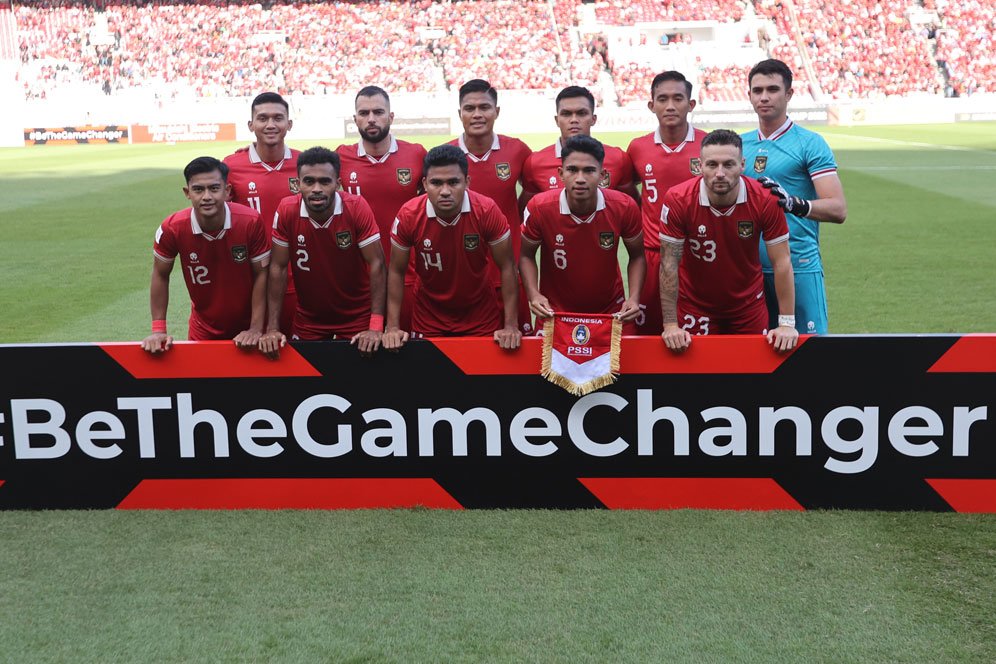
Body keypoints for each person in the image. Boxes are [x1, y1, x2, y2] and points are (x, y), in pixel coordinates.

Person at [658, 130, 798, 353]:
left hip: (748, 306)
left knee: (751, 377)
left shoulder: (765, 199)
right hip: (695, 305)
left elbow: (782, 262)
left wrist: (787, 324)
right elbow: (668, 264)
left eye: (729, 165)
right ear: (699, 166)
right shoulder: (678, 199)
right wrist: (670, 324)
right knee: (698, 379)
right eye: (712, 164)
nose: (720, 173)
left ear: (742, 165)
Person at [741, 59, 847, 335]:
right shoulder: (737, 145)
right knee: (750, 363)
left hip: (798, 265)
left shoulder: (809, 143)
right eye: (757, 90)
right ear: (749, 95)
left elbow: (837, 208)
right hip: (746, 272)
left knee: (809, 360)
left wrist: (795, 204)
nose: (764, 97)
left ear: (789, 94)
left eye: (773, 89)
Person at [384, 144, 521, 350]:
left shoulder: (486, 210)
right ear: (424, 183)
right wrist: (392, 327)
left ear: (467, 182)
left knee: (480, 378)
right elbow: (396, 271)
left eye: (453, 182)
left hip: (480, 314)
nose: (445, 191)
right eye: (436, 183)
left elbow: (508, 267)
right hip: (428, 315)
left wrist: (511, 325)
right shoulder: (409, 215)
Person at [259, 147, 386, 358]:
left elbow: (377, 264)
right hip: (310, 319)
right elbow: (278, 267)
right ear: (297, 183)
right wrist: (272, 328)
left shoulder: (356, 207)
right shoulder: (286, 210)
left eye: (325, 182)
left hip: (357, 316)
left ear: (337, 183)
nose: (316, 188)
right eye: (308, 181)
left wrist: (375, 325)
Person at [520, 136, 646, 334]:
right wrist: (534, 295)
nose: (580, 178)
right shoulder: (539, 207)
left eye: (589, 170)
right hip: (554, 312)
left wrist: (634, 298)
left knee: (622, 365)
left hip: (612, 310)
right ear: (561, 173)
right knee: (546, 366)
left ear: (603, 175)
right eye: (572, 170)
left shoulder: (624, 206)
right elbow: (526, 255)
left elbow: (637, 255)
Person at [142, 157, 269, 353]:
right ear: (187, 193)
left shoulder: (250, 221)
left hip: (250, 327)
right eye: (198, 189)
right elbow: (160, 274)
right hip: (203, 329)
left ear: (227, 191)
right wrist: (159, 330)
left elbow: (262, 274)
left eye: (214, 188)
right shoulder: (172, 228)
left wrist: (255, 327)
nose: (206, 196)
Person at [336, 86, 427, 331]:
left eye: (378, 112)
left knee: (410, 351)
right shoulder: (340, 159)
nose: (371, 119)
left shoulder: (416, 154)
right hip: (359, 281)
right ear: (355, 119)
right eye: (364, 113)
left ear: (391, 116)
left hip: (410, 276)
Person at [447, 79, 533, 333]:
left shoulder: (517, 150)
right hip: (463, 274)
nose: (477, 114)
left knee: (517, 347)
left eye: (484, 107)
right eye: (469, 108)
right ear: (459, 113)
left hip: (508, 270)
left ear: (496, 112)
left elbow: (528, 199)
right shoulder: (444, 155)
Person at [626, 70, 707, 336]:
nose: (670, 106)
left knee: (695, 333)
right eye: (662, 99)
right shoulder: (638, 147)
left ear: (691, 104)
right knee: (647, 333)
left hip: (697, 254)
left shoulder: (708, 144)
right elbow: (627, 190)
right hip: (653, 255)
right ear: (652, 105)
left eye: (677, 98)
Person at [223, 92, 301, 336]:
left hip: (297, 278)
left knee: (295, 354)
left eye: (278, 118)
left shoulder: (304, 164)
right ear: (251, 125)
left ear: (289, 124)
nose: (270, 125)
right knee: (247, 352)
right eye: (262, 118)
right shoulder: (231, 166)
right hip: (249, 279)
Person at [520, 86, 638, 203]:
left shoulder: (619, 159)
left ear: (593, 119)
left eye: (582, 113)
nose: (574, 120)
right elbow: (527, 212)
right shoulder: (534, 163)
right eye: (566, 114)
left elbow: (631, 205)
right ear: (557, 120)